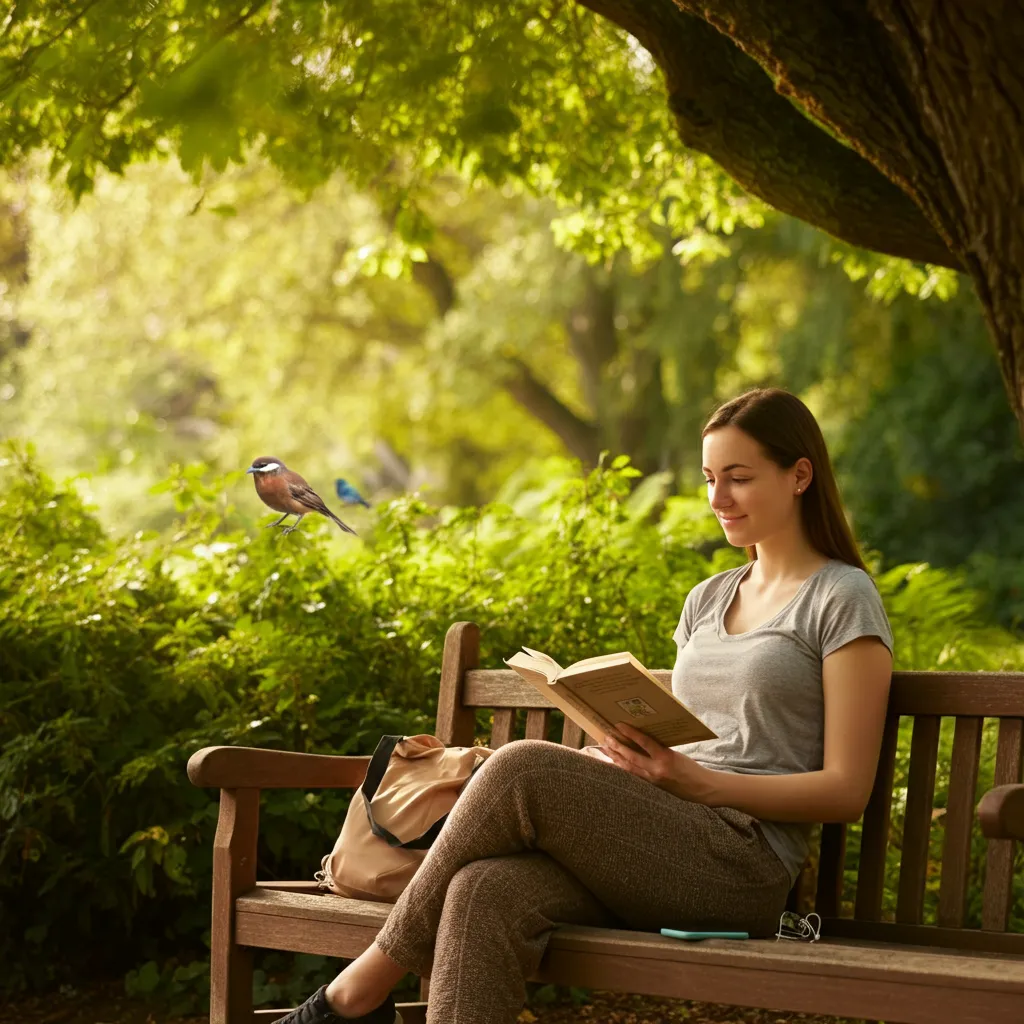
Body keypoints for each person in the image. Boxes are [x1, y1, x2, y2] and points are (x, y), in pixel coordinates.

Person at [277, 387, 895, 1024]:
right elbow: (692, 739)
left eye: (739, 478)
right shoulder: (708, 599)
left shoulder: (841, 597)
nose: (719, 499)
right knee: (482, 889)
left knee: (522, 766)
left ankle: (355, 994)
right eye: (711, 479)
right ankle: (358, 1000)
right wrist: (623, 754)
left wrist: (703, 785)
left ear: (800, 475)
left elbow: (847, 791)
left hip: (741, 865)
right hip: (658, 839)